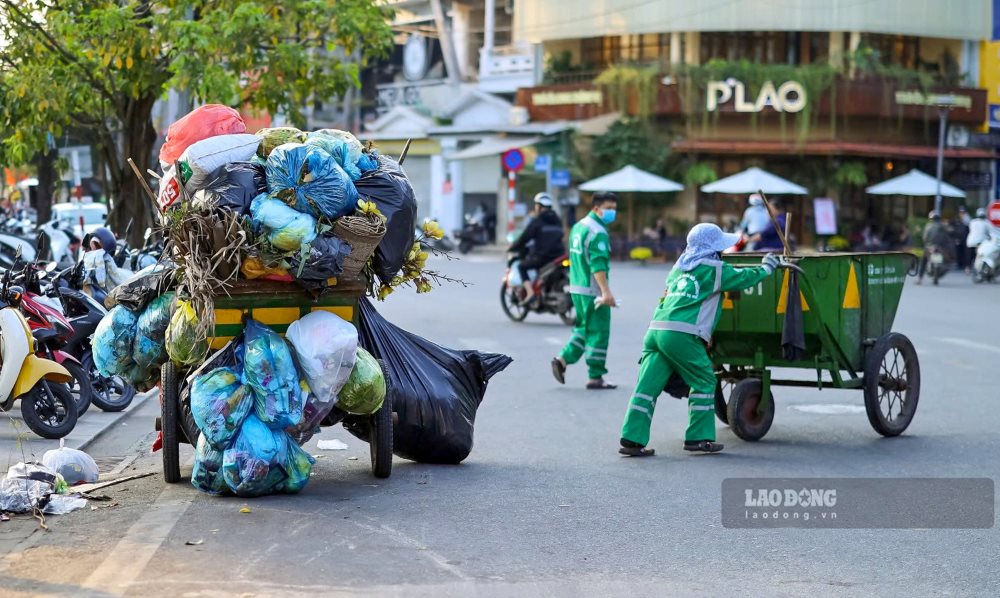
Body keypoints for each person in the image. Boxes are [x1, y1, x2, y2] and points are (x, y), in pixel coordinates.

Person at [618, 223, 781, 456]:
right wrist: (766, 268)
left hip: (654, 331)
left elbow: (666, 299)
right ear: (713, 248)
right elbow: (744, 277)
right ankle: (699, 438)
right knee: (705, 379)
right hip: (680, 334)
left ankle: (632, 439)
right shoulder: (714, 269)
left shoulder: (678, 269)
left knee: (646, 387)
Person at [551, 191, 618, 390]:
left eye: (614, 208)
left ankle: (562, 359)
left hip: (577, 288)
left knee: (584, 329)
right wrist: (606, 292)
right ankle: (595, 376)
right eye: (609, 208)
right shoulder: (598, 232)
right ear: (596, 208)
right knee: (599, 332)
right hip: (593, 291)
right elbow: (598, 265)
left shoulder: (578, 227)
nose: (612, 212)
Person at [508, 193, 566, 306]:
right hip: (559, 256)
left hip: (542, 257)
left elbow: (524, 238)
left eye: (536, 206)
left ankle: (530, 293)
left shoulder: (537, 221)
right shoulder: (557, 221)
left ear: (539, 207)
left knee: (522, 267)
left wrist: (513, 247)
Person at [83, 226, 130, 292]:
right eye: (94, 244)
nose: (95, 248)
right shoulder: (104, 258)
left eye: (97, 244)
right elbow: (118, 280)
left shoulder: (89, 258)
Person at [916, 211, 952, 284]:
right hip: (939, 247)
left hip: (930, 246)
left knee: (923, 261)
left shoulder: (928, 226)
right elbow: (950, 233)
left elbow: (924, 238)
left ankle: (920, 278)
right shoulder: (943, 225)